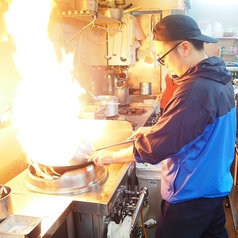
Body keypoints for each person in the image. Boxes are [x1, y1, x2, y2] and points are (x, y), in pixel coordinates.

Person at [88, 14, 236, 238]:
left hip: (190, 195)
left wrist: (111, 156)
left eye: (163, 58)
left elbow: (156, 148)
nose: (165, 64)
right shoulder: (219, 79)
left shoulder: (196, 89)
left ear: (184, 48)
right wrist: (155, 130)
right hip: (214, 189)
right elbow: (200, 131)